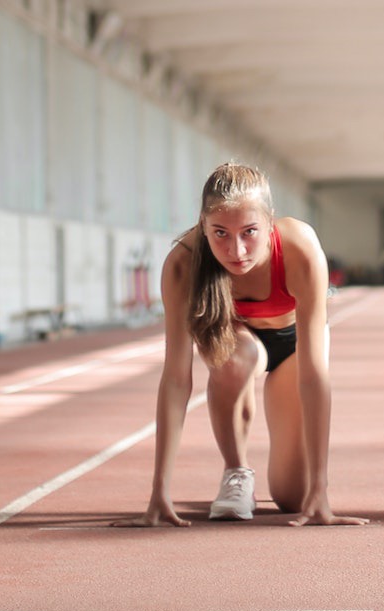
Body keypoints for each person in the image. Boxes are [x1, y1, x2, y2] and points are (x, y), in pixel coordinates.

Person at [115, 162, 368, 528]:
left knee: (293, 499)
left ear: (270, 223)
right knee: (239, 357)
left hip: (294, 347)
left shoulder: (299, 248)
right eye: (220, 233)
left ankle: (303, 487)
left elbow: (315, 377)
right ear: (203, 225)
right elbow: (175, 379)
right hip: (236, 342)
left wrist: (320, 488)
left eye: (249, 232)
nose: (236, 250)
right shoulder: (183, 265)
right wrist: (159, 492)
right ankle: (236, 472)